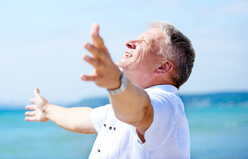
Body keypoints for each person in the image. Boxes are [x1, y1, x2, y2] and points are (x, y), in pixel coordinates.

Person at [25, 22, 195, 158]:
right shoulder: (120, 109)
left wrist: (115, 82)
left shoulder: (168, 106)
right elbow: (81, 118)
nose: (128, 43)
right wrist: (47, 109)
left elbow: (142, 111)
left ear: (163, 66)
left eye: (143, 42)